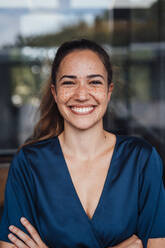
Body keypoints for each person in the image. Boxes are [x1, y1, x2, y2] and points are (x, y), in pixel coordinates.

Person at [0, 39, 165, 248]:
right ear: (55, 92)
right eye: (69, 82)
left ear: (109, 91)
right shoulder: (28, 164)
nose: (81, 95)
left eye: (94, 82)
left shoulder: (141, 159)